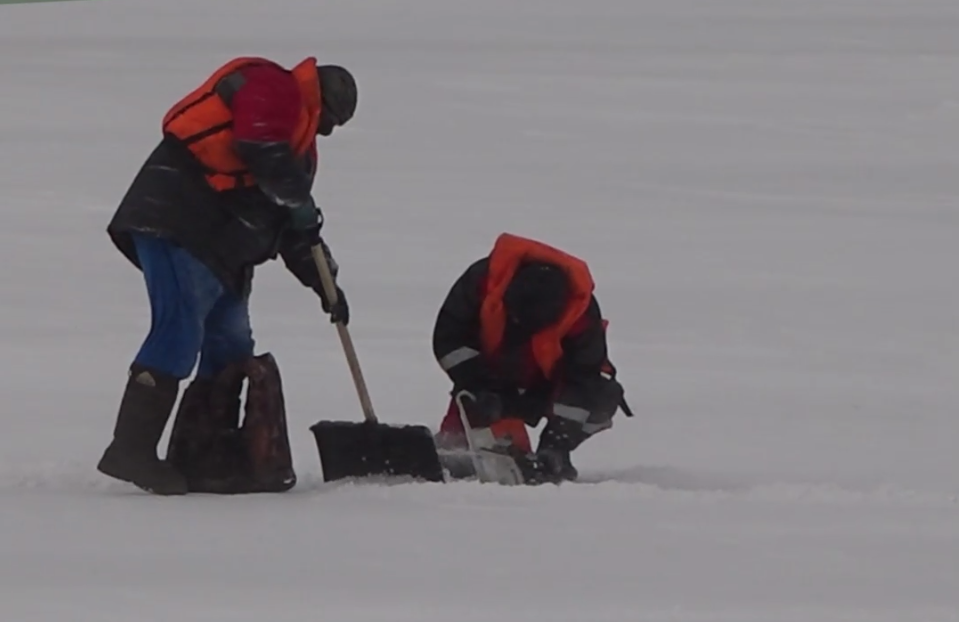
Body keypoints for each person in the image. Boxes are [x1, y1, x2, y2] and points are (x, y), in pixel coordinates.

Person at [96, 56, 358, 495]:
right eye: (330, 121)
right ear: (323, 101)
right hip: (178, 221)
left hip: (224, 250)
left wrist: (325, 284)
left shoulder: (297, 154)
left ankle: (204, 453)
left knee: (232, 346)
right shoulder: (275, 88)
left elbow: (295, 230)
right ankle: (130, 450)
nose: (327, 132)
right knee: (179, 329)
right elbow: (258, 144)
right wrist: (296, 197)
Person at [431, 232, 630, 483]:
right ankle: (456, 445)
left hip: (548, 385)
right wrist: (478, 385)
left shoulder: (581, 314)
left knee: (602, 398)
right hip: (489, 375)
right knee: (460, 446)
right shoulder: (481, 280)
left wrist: (557, 443)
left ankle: (555, 454)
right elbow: (449, 339)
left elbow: (583, 381)